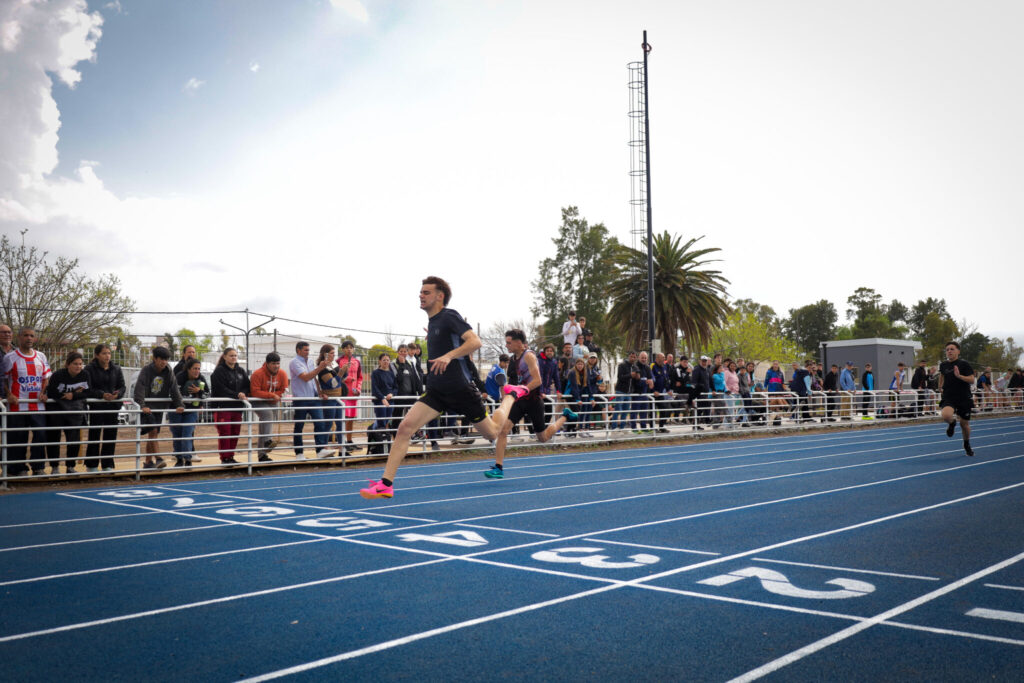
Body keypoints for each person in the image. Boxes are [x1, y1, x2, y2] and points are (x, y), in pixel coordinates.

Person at [360, 276, 522, 498]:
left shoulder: (449, 316)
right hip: (437, 390)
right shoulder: (433, 322)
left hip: (460, 389)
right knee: (405, 428)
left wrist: (448, 356)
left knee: (493, 433)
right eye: (421, 292)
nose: (421, 295)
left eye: (426, 292)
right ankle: (386, 484)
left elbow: (475, 341)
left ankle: (511, 395)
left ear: (440, 296)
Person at [483, 328, 579, 477]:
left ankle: (565, 416)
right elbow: (516, 381)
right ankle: (498, 467)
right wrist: (508, 393)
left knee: (543, 438)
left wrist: (522, 389)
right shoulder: (513, 360)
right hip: (519, 401)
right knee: (503, 430)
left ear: (519, 342)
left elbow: (538, 380)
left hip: (534, 402)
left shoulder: (529, 356)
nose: (506, 345)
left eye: (509, 342)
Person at [2, 327, 51, 475]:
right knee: (18, 437)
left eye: (31, 335)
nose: (29, 338)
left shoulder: (41, 356)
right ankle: (18, 468)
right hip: (18, 405)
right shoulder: (10, 357)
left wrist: (44, 392)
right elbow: (3, 379)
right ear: (19, 337)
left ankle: (38, 467)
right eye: (25, 335)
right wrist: (9, 394)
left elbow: (46, 378)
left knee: (40, 435)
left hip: (38, 405)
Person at [133, 346, 185, 469]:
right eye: (161, 359)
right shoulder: (146, 370)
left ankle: (148, 462)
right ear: (155, 359)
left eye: (166, 359)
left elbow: (174, 388)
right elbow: (139, 388)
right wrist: (142, 405)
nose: (164, 362)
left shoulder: (168, 370)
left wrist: (179, 404)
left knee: (153, 434)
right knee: (153, 432)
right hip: (147, 408)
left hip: (159, 407)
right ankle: (158, 458)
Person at [45, 351, 91, 474]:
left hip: (75, 412)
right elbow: (51, 392)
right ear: (68, 364)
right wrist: (67, 395)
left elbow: (88, 392)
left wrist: (74, 395)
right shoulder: (58, 375)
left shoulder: (85, 374)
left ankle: (70, 466)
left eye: (80, 364)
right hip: (57, 410)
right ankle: (54, 467)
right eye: (75, 364)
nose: (78, 366)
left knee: (74, 440)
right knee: (54, 439)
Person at [288, 341, 334, 459]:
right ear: (298, 350)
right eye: (305, 350)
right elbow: (306, 377)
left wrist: (320, 392)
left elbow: (314, 379)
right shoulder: (294, 362)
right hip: (301, 399)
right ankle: (299, 453)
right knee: (299, 426)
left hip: (313, 397)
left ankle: (320, 450)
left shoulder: (310, 361)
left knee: (320, 423)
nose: (308, 352)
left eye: (308, 350)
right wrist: (320, 368)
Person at [84, 343, 126, 472]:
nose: (107, 356)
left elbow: (122, 386)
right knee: (94, 434)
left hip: (112, 406)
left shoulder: (116, 368)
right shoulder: (89, 369)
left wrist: (117, 394)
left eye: (109, 353)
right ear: (97, 355)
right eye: (104, 353)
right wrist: (102, 395)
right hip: (97, 406)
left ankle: (107, 464)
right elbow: (88, 388)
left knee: (110, 435)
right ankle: (91, 464)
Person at [210, 347, 250, 464]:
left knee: (235, 432)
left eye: (235, 355)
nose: (234, 358)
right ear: (225, 357)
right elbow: (220, 389)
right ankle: (225, 458)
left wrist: (243, 393)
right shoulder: (219, 371)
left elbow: (247, 385)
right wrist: (237, 394)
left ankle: (231, 456)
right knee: (225, 432)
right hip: (223, 407)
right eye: (231, 355)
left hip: (237, 407)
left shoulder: (241, 371)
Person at [938, 341, 976, 456]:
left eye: (952, 349)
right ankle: (952, 423)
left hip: (964, 397)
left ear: (958, 351)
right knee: (946, 416)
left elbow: (972, 380)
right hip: (949, 396)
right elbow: (942, 375)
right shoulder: (943, 365)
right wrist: (940, 386)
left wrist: (960, 376)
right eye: (947, 350)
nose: (949, 351)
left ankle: (966, 443)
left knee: (964, 424)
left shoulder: (964, 364)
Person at [249, 352, 288, 462]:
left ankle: (262, 455)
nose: (276, 366)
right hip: (258, 400)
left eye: (278, 363)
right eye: (273, 363)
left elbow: (284, 389)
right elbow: (255, 392)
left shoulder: (282, 374)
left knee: (265, 425)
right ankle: (268, 440)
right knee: (267, 414)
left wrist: (275, 396)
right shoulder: (257, 374)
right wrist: (271, 395)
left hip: (272, 401)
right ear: (267, 363)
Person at [170, 358, 208, 466]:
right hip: (176, 410)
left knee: (187, 433)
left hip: (191, 410)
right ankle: (179, 459)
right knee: (177, 434)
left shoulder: (201, 378)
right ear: (188, 369)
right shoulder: (179, 377)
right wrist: (179, 405)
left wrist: (199, 391)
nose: (197, 371)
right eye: (194, 368)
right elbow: (173, 392)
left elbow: (207, 394)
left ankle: (187, 459)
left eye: (198, 369)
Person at [316, 344, 347, 452]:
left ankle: (342, 448)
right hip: (329, 398)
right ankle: (324, 447)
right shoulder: (322, 367)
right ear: (325, 354)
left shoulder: (334, 364)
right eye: (332, 353)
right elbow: (332, 383)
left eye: (334, 353)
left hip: (338, 398)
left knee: (340, 423)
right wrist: (341, 372)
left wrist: (345, 370)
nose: (334, 355)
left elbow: (342, 378)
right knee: (328, 423)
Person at [391, 344, 424, 431]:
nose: (403, 353)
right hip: (399, 396)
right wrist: (402, 365)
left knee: (414, 415)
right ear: (398, 352)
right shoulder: (393, 364)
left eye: (405, 351)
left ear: (407, 352)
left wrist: (419, 392)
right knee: (397, 418)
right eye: (401, 351)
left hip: (410, 395)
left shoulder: (410, 363)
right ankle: (395, 435)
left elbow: (414, 379)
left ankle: (414, 433)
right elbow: (398, 379)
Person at [338, 340, 364, 452]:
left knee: (351, 418)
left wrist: (358, 388)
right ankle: (342, 442)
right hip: (343, 394)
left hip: (353, 394)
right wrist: (347, 379)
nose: (349, 349)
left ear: (353, 349)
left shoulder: (357, 361)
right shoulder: (339, 361)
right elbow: (337, 377)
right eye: (346, 347)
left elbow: (360, 377)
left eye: (351, 347)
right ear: (343, 349)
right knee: (344, 418)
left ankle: (349, 441)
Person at [370, 353, 397, 448]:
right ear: (379, 361)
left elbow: (395, 387)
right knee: (381, 423)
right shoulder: (375, 373)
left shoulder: (391, 373)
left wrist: (392, 394)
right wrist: (382, 398)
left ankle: (382, 443)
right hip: (379, 401)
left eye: (387, 360)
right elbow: (375, 388)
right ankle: (377, 442)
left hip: (390, 401)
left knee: (386, 422)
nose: (386, 362)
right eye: (384, 360)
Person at [563, 357, 594, 437]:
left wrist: (591, 398)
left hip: (577, 395)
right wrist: (578, 399)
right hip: (570, 395)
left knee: (575, 413)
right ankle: (569, 431)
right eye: (578, 364)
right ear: (575, 365)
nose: (580, 366)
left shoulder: (585, 372)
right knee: (574, 413)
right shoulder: (572, 372)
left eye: (581, 364)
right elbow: (574, 387)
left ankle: (572, 431)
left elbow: (588, 385)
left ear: (584, 365)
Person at [690, 355, 712, 430]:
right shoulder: (696, 369)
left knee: (704, 406)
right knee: (699, 408)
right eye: (703, 361)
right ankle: (698, 423)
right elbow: (694, 381)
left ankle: (705, 420)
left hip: (705, 393)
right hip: (699, 393)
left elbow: (710, 380)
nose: (704, 362)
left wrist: (713, 389)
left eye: (705, 361)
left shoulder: (707, 370)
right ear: (700, 361)